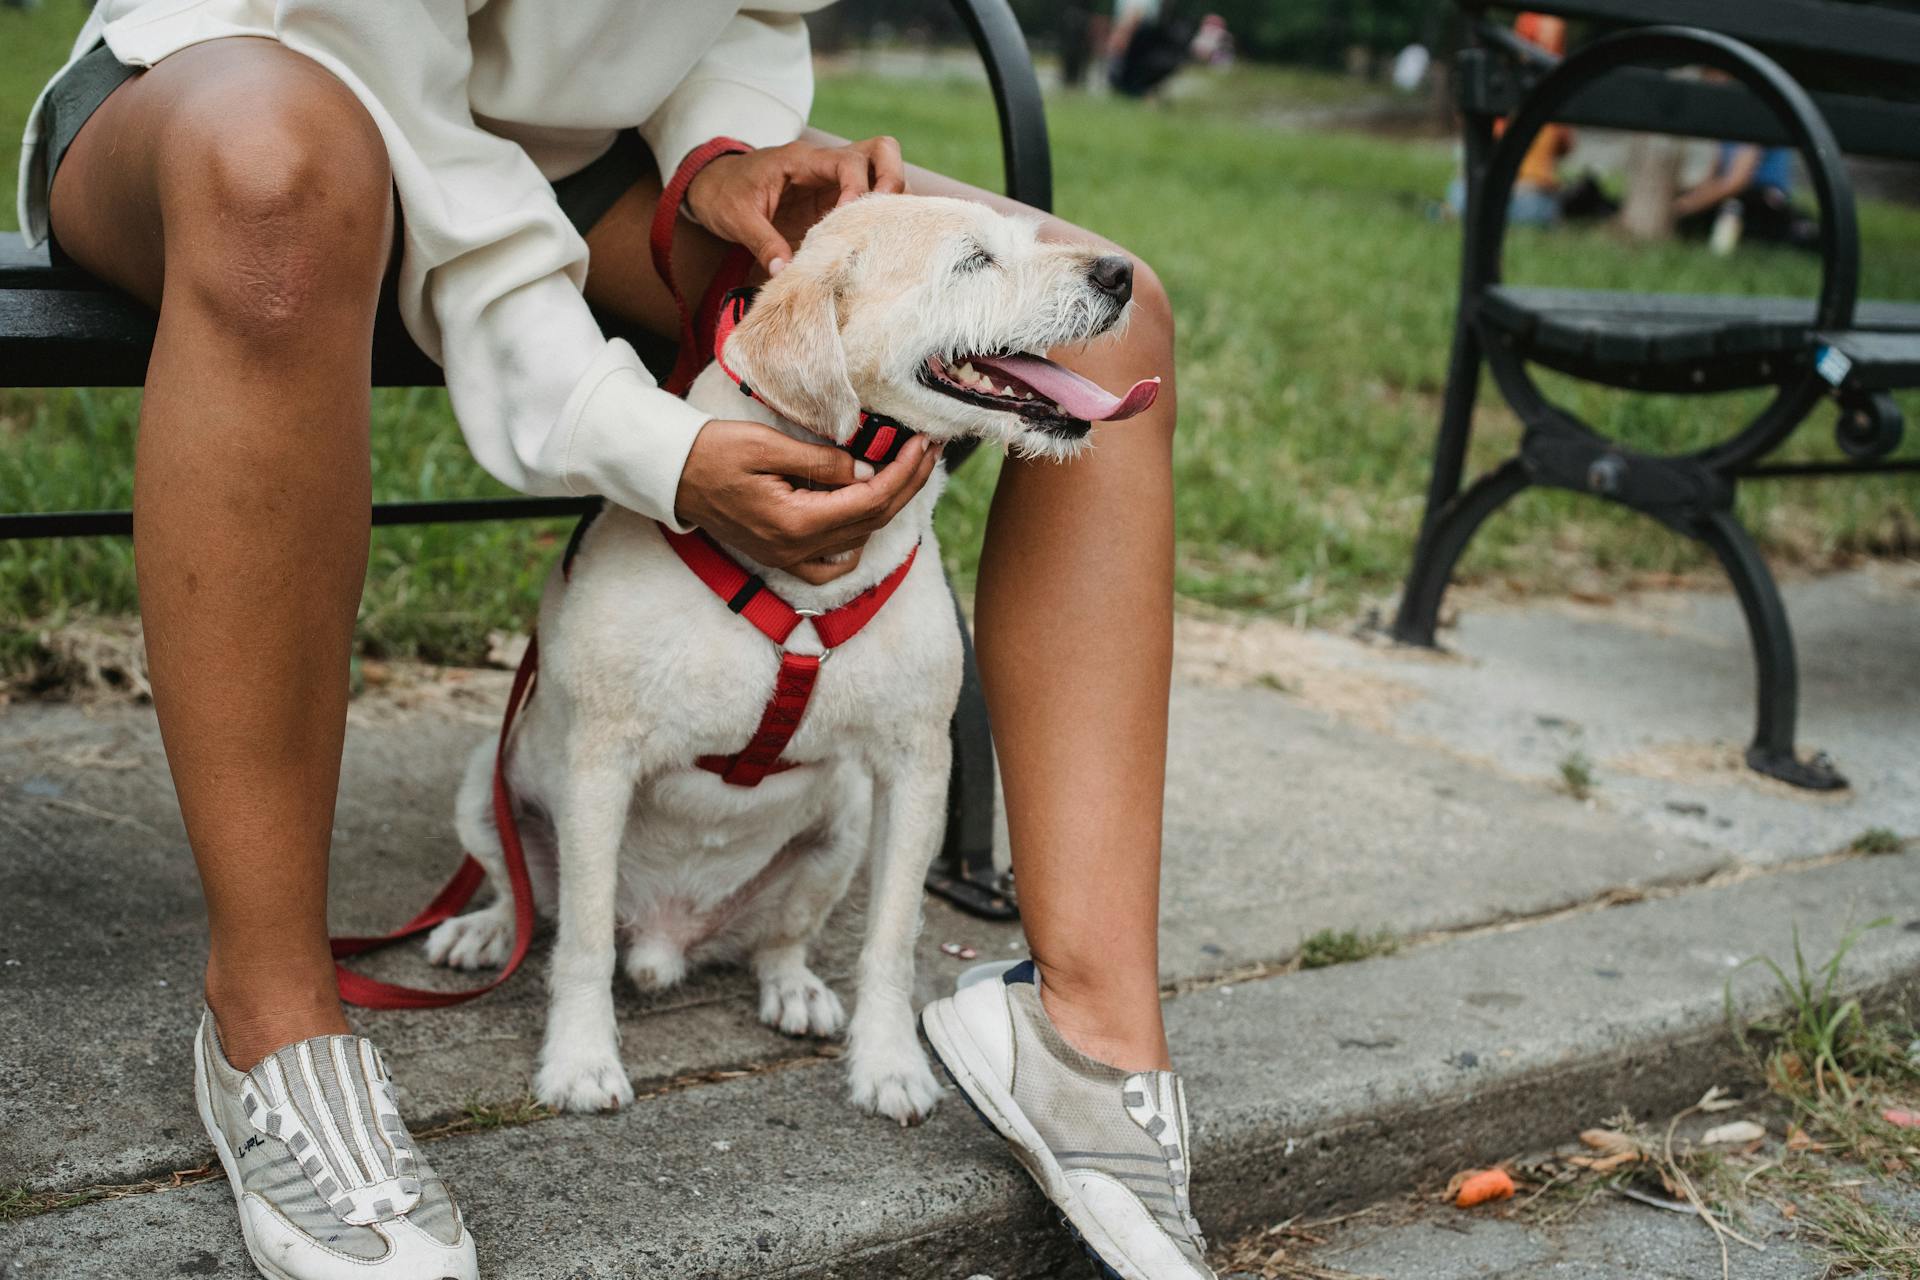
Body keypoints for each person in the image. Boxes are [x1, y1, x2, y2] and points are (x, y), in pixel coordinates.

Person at [16, 3, 1204, 1278]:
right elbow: (379, 79)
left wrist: (718, 148)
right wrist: (657, 446)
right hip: (261, 77)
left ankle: (1085, 1029)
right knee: (285, 186)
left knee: (1113, 314)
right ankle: (266, 1017)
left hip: (567, 156)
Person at [1674, 143, 1820, 252]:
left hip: (1763, 201)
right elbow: (1713, 179)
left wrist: (1682, 207)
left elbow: (1736, 182)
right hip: (1736, 199)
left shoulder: (1754, 120)